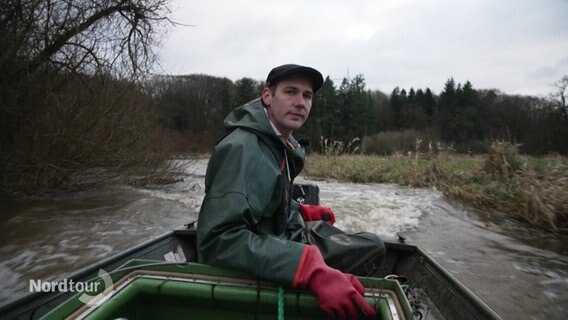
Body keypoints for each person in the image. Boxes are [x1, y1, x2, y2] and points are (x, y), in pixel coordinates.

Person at [197, 64, 385, 319]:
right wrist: (308, 267)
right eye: (290, 92)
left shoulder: (278, 143)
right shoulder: (242, 149)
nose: (300, 103)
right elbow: (218, 241)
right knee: (372, 250)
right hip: (272, 256)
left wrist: (302, 210)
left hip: (286, 240)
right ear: (267, 96)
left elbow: (265, 201)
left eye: (307, 96)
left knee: (373, 245)